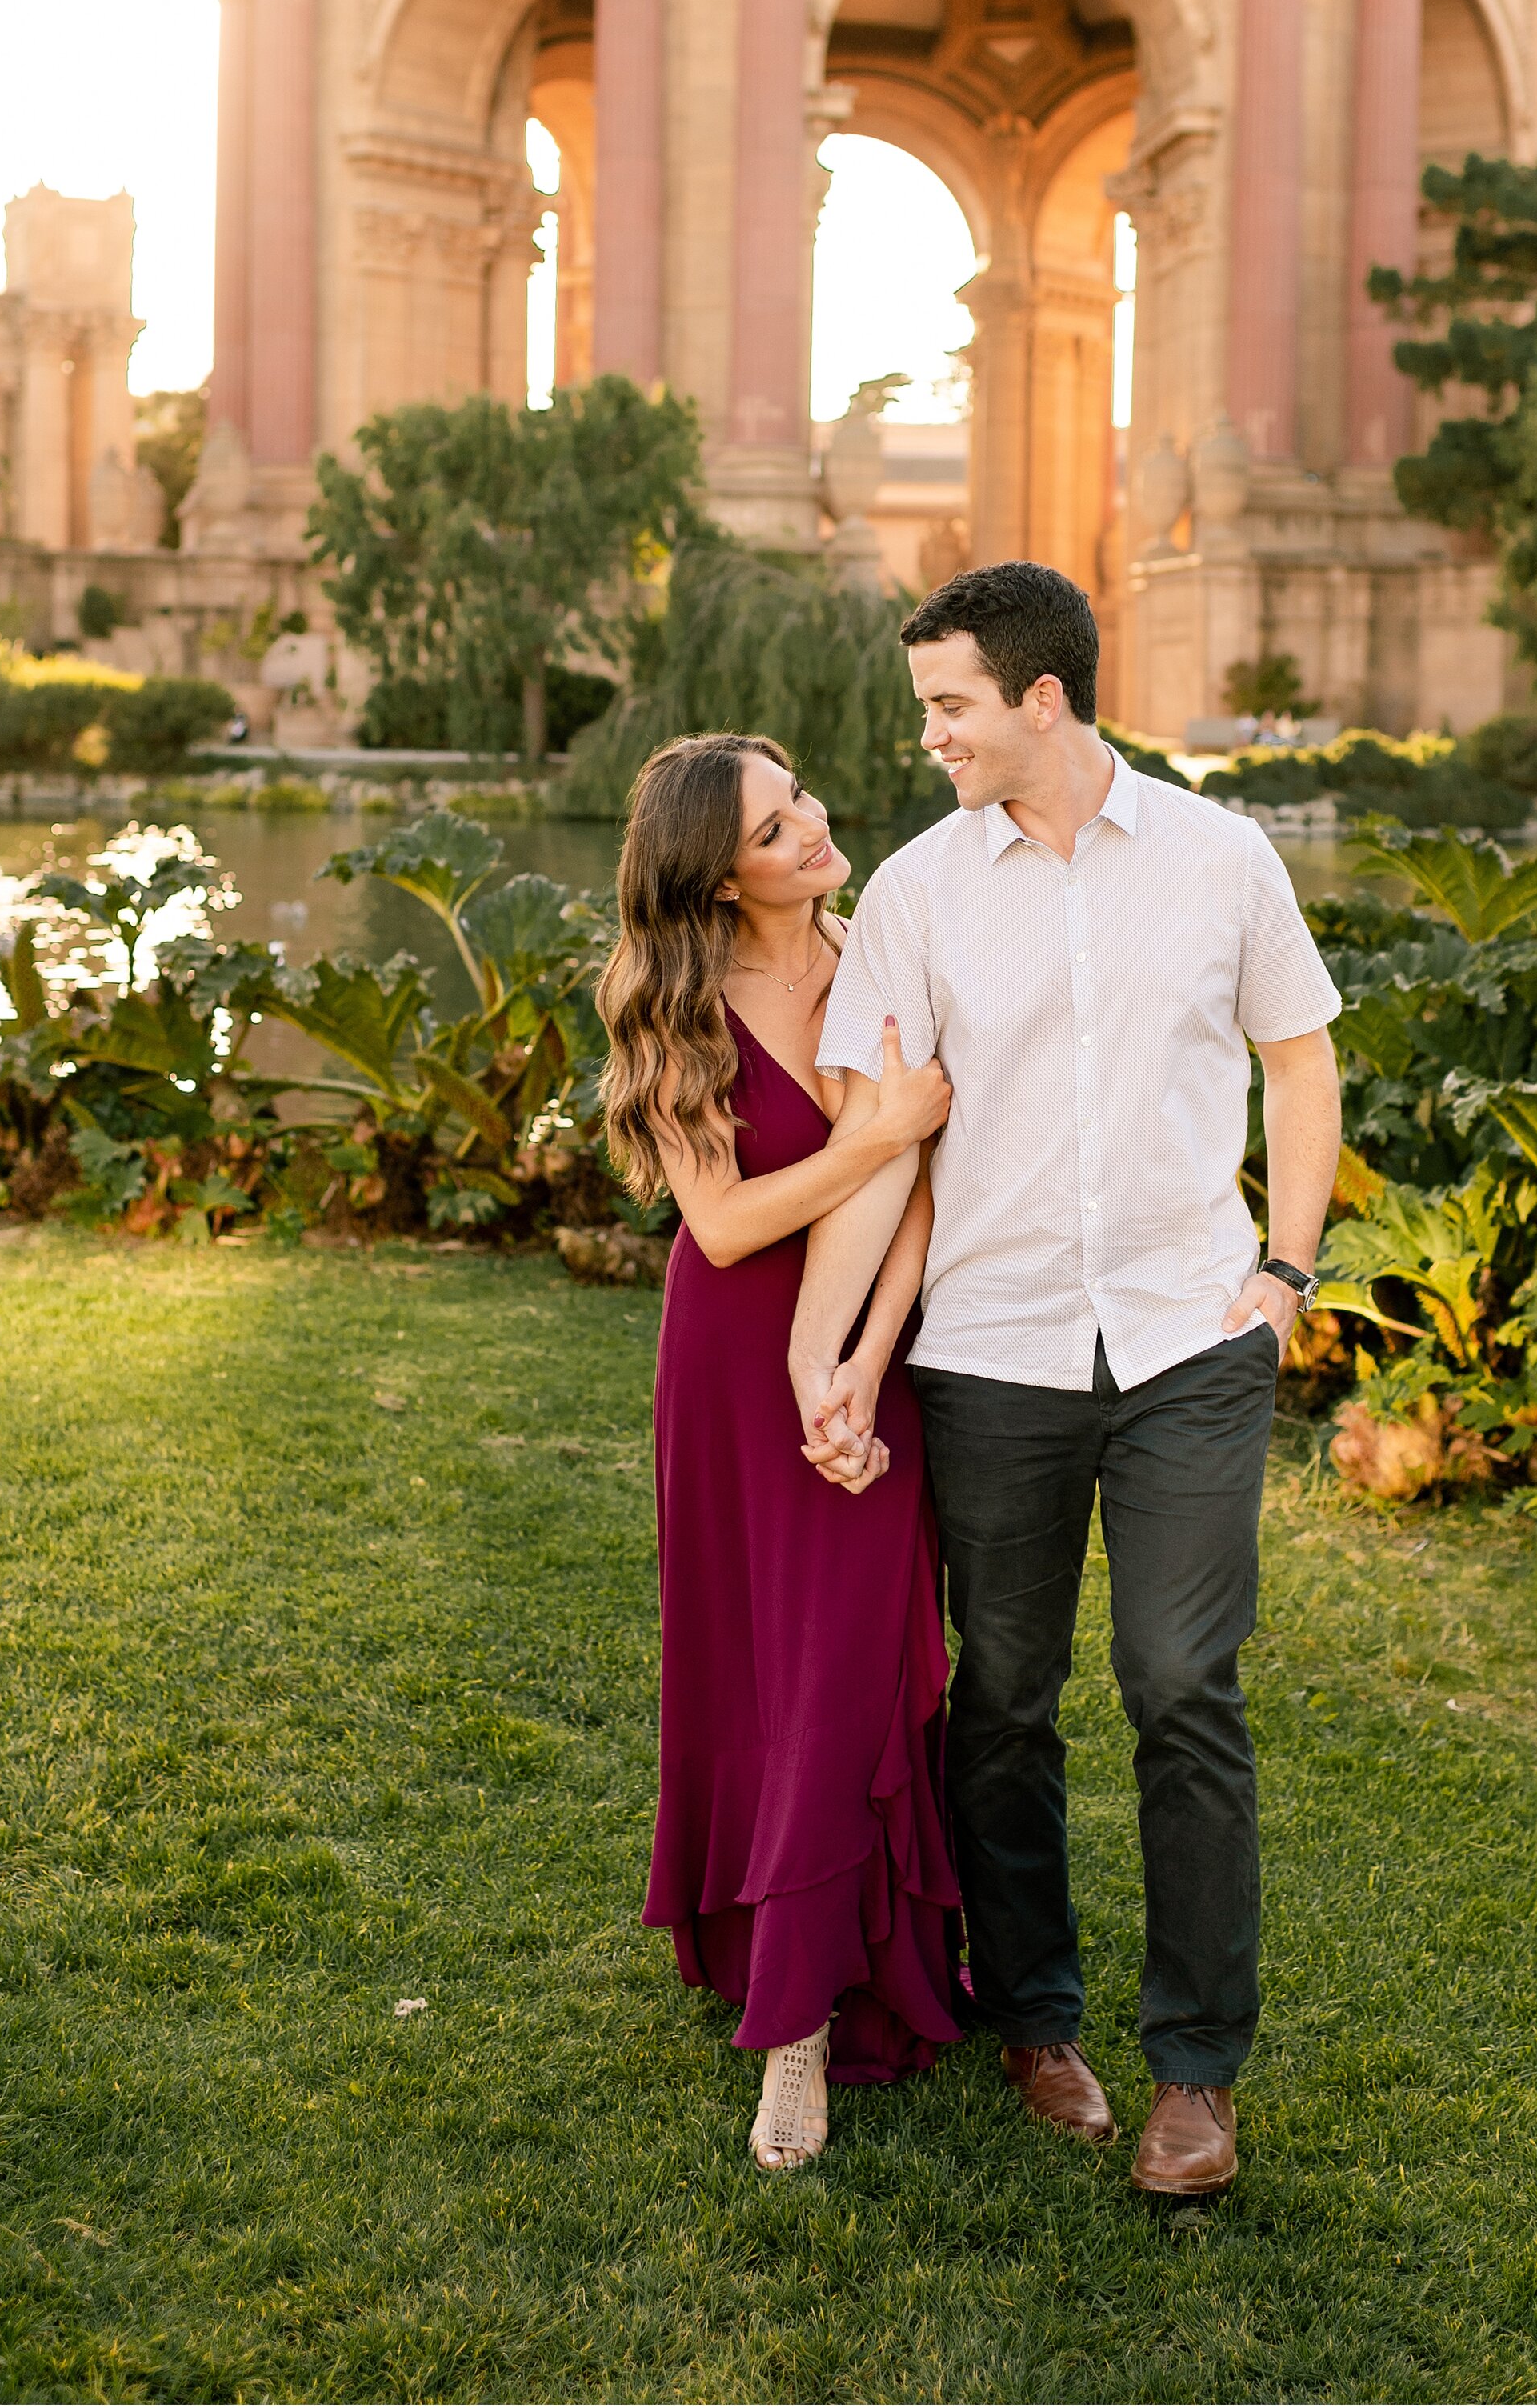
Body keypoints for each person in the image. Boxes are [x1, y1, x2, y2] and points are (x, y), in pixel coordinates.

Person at [789, 563, 1343, 2201]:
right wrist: (839, 1358)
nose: (930, 735)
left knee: (1182, 1684)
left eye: (949, 706)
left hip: (1186, 1336)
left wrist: (1285, 1271)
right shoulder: (911, 892)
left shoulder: (1217, 857)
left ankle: (1195, 2074)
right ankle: (1033, 2016)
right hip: (991, 1349)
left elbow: (1296, 1055)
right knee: (1002, 1699)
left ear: (1042, 700)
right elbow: (875, 1144)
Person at [598, 731, 963, 2173]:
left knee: (853, 1662)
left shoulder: (886, 950)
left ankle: (847, 1967)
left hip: (871, 1366)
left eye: (800, 795)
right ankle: (790, 2036)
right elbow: (730, 1222)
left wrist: (870, 1371)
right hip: (734, 1373)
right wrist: (884, 1139)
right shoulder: (666, 1001)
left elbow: (928, 1191)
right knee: (763, 1669)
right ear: (717, 870)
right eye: (772, 823)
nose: (812, 826)